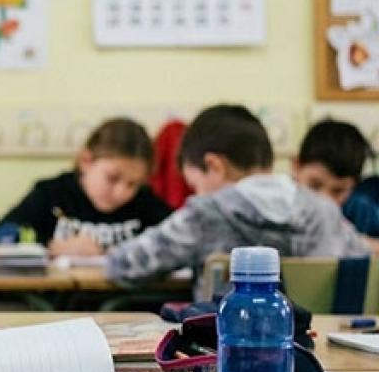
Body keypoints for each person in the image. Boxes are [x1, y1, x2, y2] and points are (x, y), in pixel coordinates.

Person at [107, 105, 371, 288]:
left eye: (195, 184)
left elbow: (124, 265)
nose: (196, 193)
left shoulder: (206, 212)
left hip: (228, 356)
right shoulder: (325, 211)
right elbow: (363, 256)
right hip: (319, 357)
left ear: (214, 166)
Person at [0, 117, 172, 256]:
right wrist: (52, 247)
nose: (121, 192)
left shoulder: (146, 204)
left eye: (133, 184)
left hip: (127, 302)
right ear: (86, 161)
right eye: (112, 178)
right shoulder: (51, 194)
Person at [293, 118, 379, 238]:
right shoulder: (276, 206)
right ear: (296, 167)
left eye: (338, 191)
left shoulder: (361, 211)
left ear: (354, 187)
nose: (324, 200)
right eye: (315, 186)